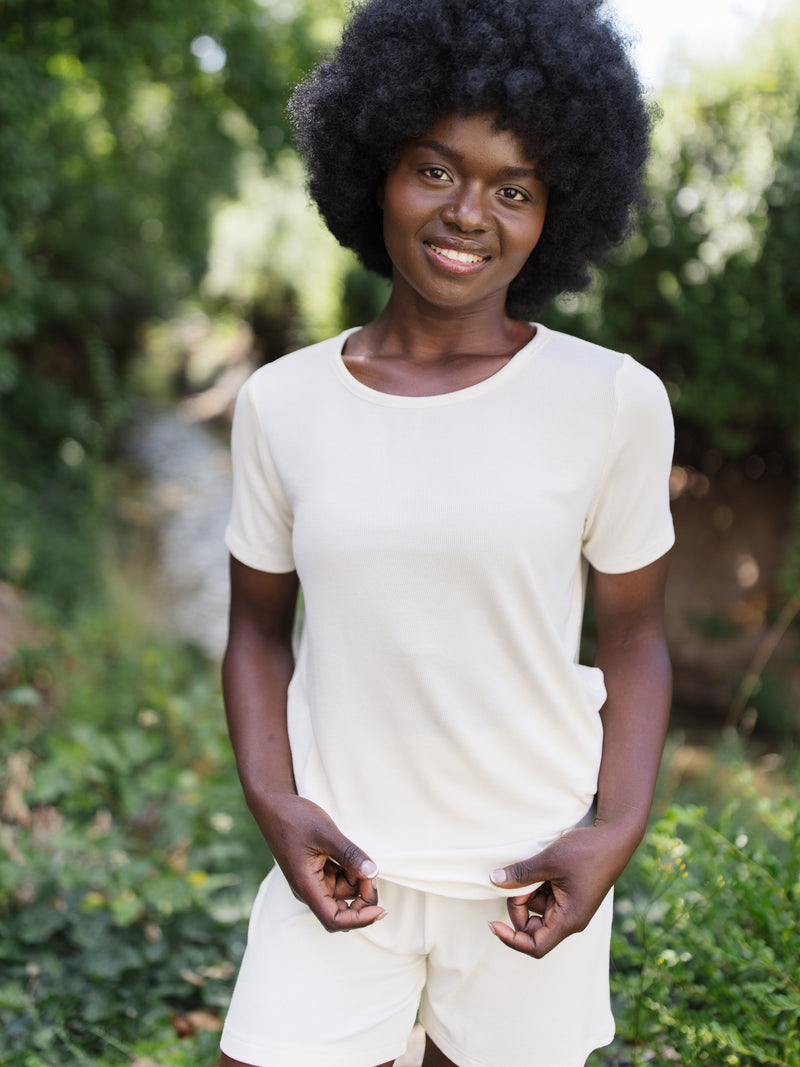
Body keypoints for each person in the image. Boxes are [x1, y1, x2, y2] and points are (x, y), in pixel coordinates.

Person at [218, 0, 674, 1064]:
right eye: (435, 169)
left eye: (513, 189)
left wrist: (614, 829)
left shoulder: (610, 398)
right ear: (373, 166)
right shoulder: (282, 403)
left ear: (555, 212)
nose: (468, 212)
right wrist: (275, 803)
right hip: (342, 862)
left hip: (528, 872)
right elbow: (255, 632)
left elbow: (636, 635)